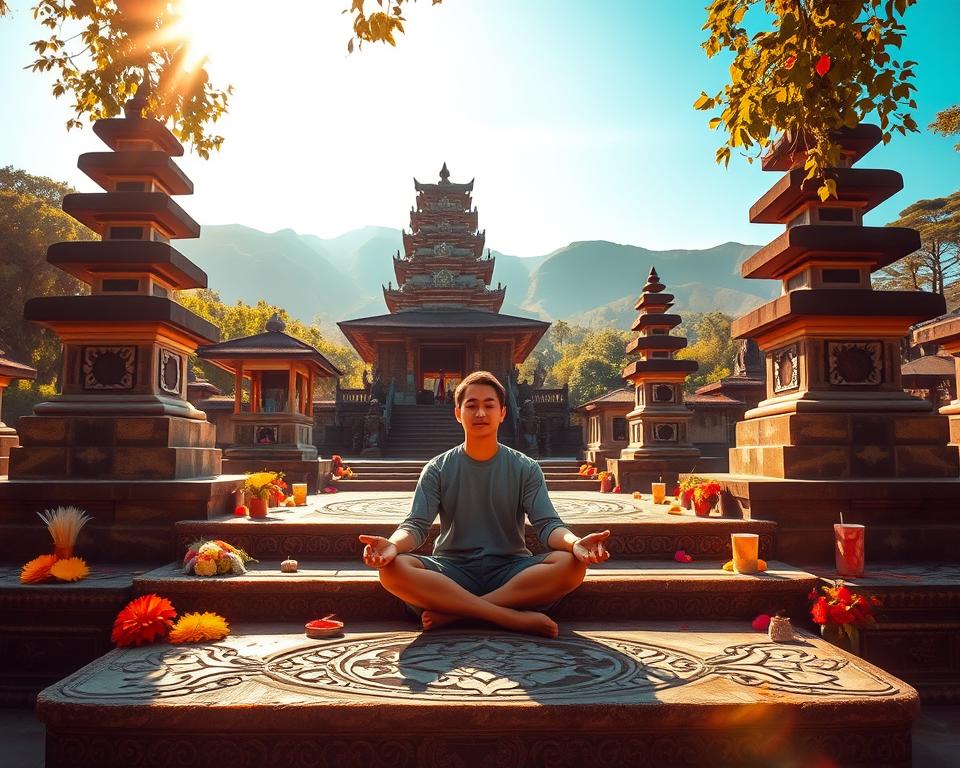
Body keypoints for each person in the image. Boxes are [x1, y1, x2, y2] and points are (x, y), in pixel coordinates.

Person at [358, 370, 610, 638]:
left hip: (511, 570)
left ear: (503, 413)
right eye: (472, 405)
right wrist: (393, 545)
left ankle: (457, 613)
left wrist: (575, 543)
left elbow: (547, 524)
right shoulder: (437, 468)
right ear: (457, 413)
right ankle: (508, 616)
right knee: (392, 570)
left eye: (489, 405)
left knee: (571, 564)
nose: (480, 413)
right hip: (451, 570)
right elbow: (416, 525)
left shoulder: (525, 467)